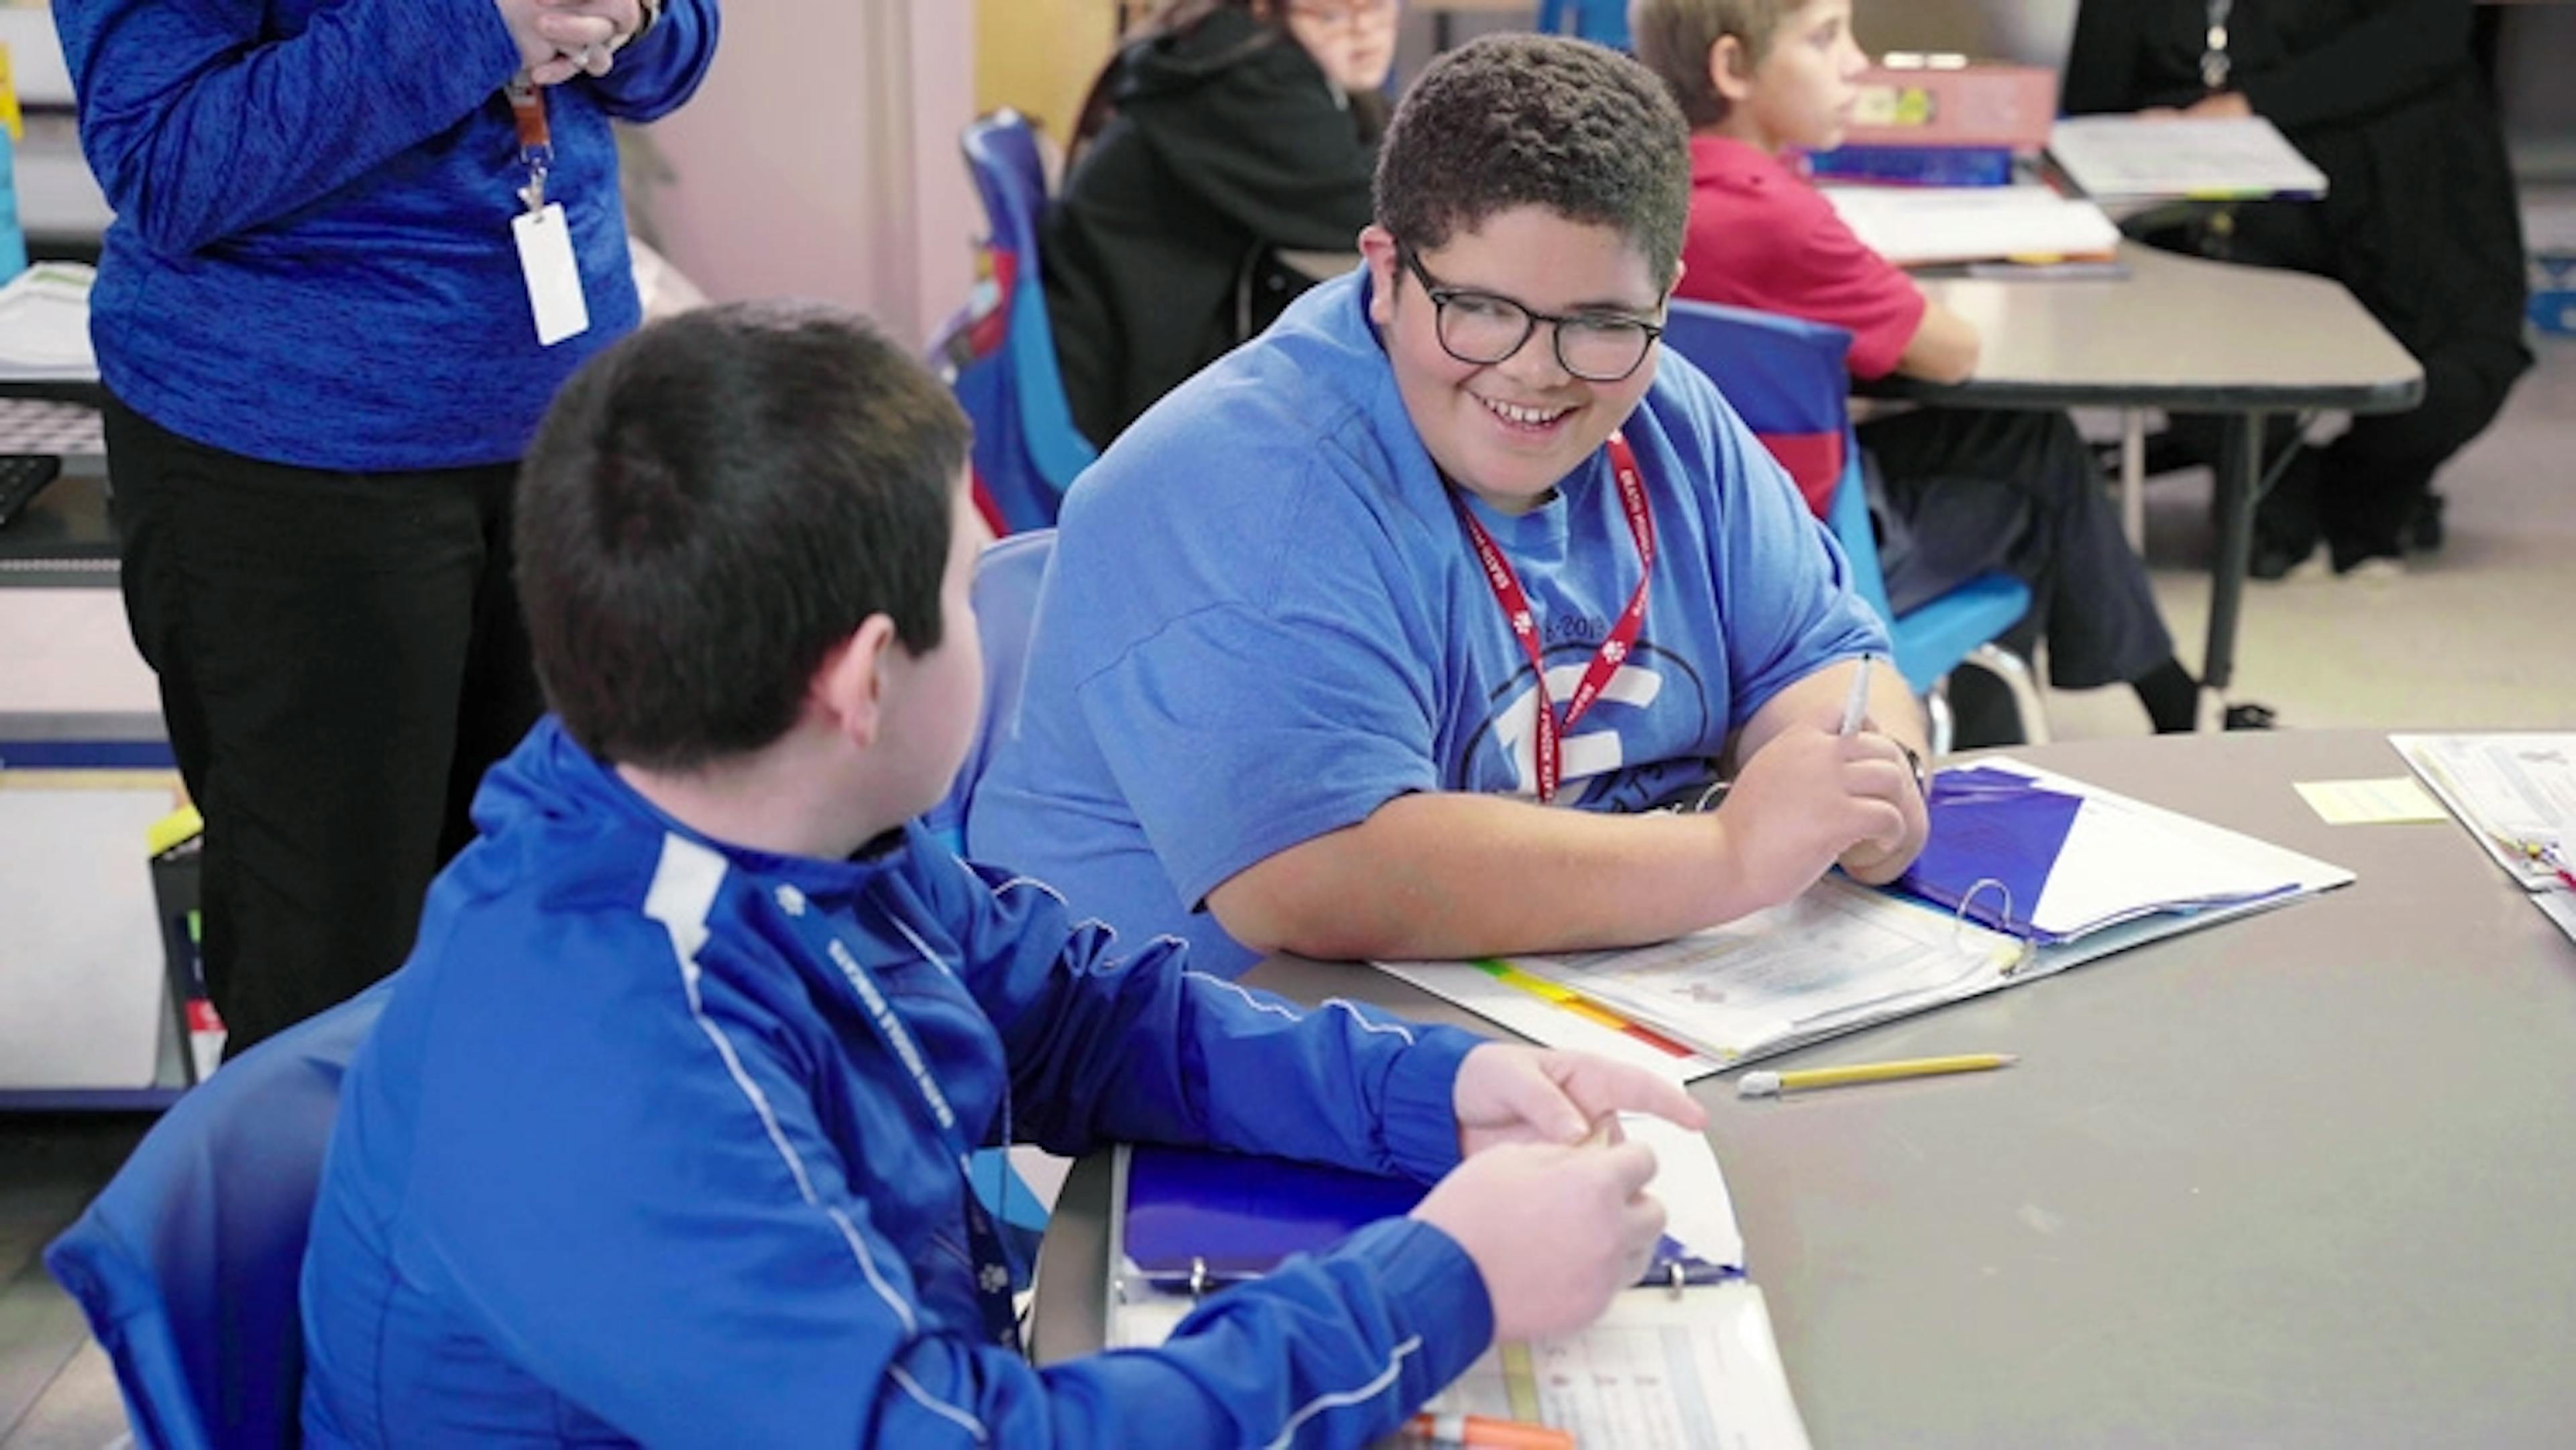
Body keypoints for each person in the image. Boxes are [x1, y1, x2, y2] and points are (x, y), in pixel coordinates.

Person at [297, 302, 1705, 1448]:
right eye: (968, 601)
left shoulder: (770, 813)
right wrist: (1440, 1285)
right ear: (862, 681)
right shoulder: (615, 1061)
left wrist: (1434, 1094)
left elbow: (1082, 1022)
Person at [973, 34, 1931, 979]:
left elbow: (1823, 657)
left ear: (1665, 298)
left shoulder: (1666, 408)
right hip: (1225, 1057)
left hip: (1578, 1005)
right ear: (1386, 273)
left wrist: (1859, 782)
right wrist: (1732, 857)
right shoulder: (1241, 481)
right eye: (1480, 309)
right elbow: (1315, 875)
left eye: (1601, 323)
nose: (1536, 371)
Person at [53, 0, 718, 1055]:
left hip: (560, 424)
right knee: (330, 986)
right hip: (292, 449)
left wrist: (626, 18)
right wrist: (485, 26)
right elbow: (168, 161)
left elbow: (678, 49)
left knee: (548, 948)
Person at [1630, 0, 2207, 744]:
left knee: (2020, 442)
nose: (1854, 62)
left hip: (1674, 546)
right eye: (1824, 38)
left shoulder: (1650, 198)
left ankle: (2160, 697)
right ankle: (2089, 717)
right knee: (2038, 465)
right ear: (1734, 68)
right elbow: (1952, 351)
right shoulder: (1783, 219)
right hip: (1806, 559)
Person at [2061, 0, 2532, 578]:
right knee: (2188, 339)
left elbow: (2430, 33)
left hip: (2405, 165)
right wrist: (2135, 137)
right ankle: (2276, 499)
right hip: (2211, 192)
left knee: (2461, 366)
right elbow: (2093, 103)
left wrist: (2249, 106)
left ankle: (2365, 498)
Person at [1045, 0, 1397, 448]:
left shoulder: (1215, 44)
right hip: (1127, 377)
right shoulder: (1248, 78)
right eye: (1332, 16)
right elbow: (1369, 202)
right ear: (1267, 9)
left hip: (1126, 336)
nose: (1364, 33)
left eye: (1380, 8)